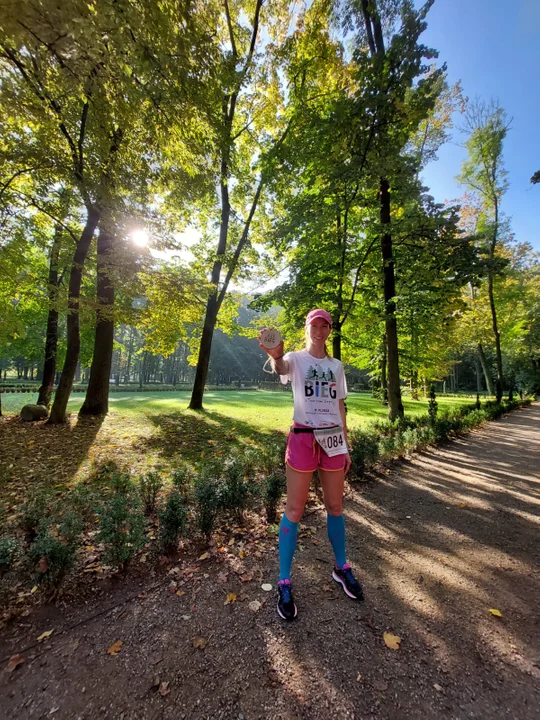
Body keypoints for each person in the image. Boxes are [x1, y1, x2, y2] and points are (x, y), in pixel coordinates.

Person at [258, 309, 364, 621]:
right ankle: (285, 581)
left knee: (335, 506)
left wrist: (345, 445)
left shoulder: (336, 366)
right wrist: (275, 354)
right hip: (303, 437)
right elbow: (281, 366)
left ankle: (341, 567)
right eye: (314, 325)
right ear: (307, 328)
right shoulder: (296, 359)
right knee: (294, 510)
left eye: (324, 326)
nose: (319, 330)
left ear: (330, 330)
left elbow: (340, 404)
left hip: (332, 440)